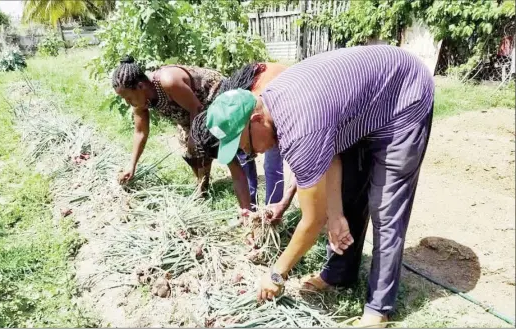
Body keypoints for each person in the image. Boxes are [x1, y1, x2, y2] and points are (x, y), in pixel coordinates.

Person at [205, 45, 434, 327]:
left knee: (386, 208)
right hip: (365, 101)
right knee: (350, 191)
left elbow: (311, 222)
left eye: (244, 145)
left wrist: (277, 274)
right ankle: (338, 274)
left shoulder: (300, 128)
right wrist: (336, 215)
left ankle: (378, 309)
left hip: (404, 93)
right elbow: (332, 153)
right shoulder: (274, 105)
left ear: (256, 120)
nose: (252, 153)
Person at [190, 62, 296, 218]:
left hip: (285, 98)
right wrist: (247, 214)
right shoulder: (225, 118)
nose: (244, 150)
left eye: (242, 145)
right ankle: (256, 211)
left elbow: (306, 167)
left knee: (271, 163)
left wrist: (280, 206)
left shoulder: (264, 108)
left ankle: (272, 213)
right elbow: (237, 173)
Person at [111, 55, 223, 194]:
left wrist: (194, 137)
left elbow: (197, 108)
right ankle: (202, 185)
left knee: (200, 143)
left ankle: (226, 176)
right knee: (188, 149)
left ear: (141, 86)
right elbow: (140, 132)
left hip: (214, 98)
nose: (128, 102)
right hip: (191, 111)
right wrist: (132, 166)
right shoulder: (139, 100)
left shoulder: (168, 82)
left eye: (128, 97)